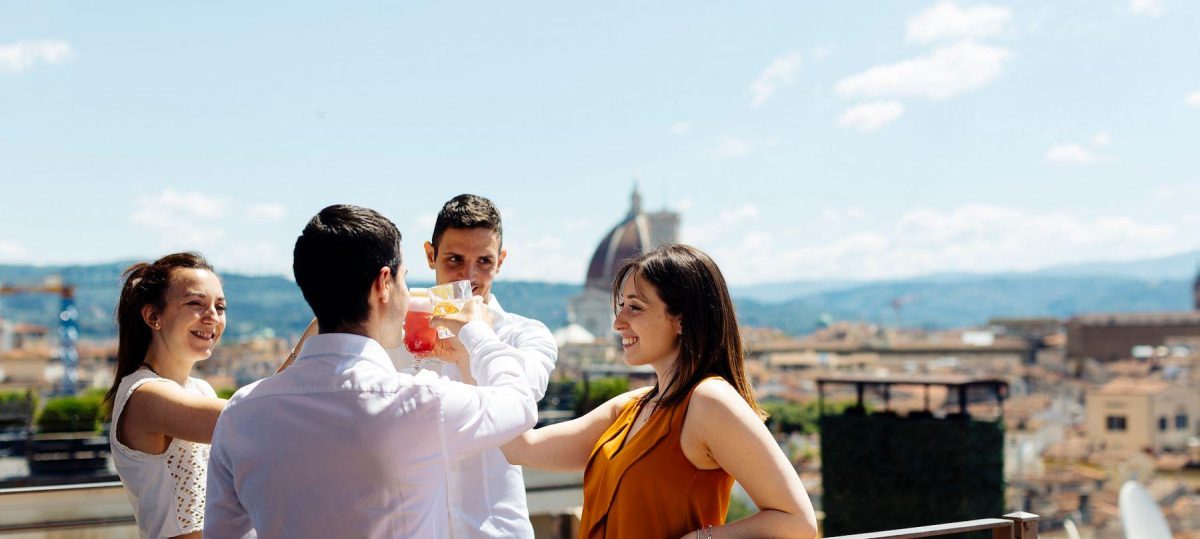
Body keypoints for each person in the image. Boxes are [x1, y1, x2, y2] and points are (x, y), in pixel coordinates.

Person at [204, 204, 538, 538]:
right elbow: (519, 403)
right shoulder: (420, 402)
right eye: (404, 280)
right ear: (383, 285)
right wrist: (477, 332)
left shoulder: (240, 414)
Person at [503, 244, 819, 539]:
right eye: (621, 306)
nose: (618, 322)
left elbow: (798, 522)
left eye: (635, 308)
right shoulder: (630, 407)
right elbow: (518, 447)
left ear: (681, 319)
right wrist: (469, 347)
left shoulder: (709, 401)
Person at [389, 193, 557, 538]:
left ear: (501, 261)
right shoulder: (391, 333)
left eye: (484, 261)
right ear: (430, 255)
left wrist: (474, 335)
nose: (469, 277)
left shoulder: (526, 335)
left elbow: (519, 401)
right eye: (454, 260)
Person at [104, 252, 228, 539]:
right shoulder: (146, 394)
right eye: (196, 303)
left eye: (220, 307)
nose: (212, 316)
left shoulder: (200, 390)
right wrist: (326, 319)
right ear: (153, 316)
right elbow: (254, 417)